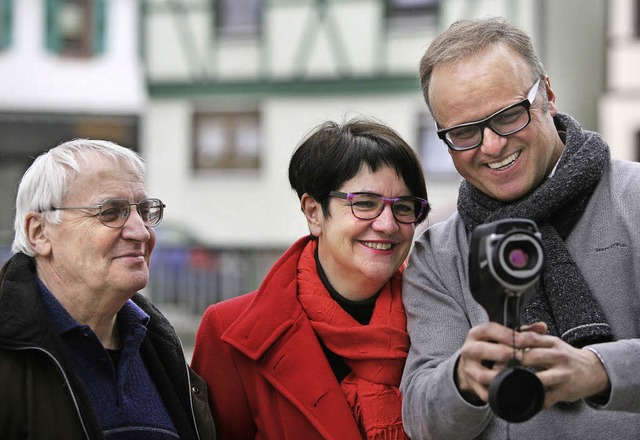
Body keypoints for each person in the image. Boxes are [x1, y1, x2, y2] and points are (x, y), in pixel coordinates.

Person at [400, 16, 640, 439]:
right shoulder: (436, 253)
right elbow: (421, 421)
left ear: (547, 94)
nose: (491, 146)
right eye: (464, 132)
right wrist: (461, 381)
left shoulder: (634, 199)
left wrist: (600, 370)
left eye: (509, 116)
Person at [191, 118, 429, 439]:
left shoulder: (440, 317)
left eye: (404, 207)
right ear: (314, 213)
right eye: (365, 204)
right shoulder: (228, 332)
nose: (387, 224)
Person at [0, 139, 215, 439]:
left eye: (143, 210)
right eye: (111, 212)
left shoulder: (160, 348)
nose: (141, 231)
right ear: (39, 232)